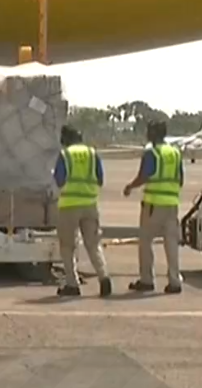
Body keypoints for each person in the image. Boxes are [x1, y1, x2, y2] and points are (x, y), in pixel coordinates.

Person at [123, 120, 184, 294]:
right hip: (172, 205)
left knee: (145, 241)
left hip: (153, 205)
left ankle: (147, 279)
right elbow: (180, 179)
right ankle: (174, 281)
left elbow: (144, 176)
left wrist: (130, 187)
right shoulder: (175, 153)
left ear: (154, 134)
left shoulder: (152, 153)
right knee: (171, 244)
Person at [53, 126, 112, 298]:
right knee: (93, 245)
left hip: (69, 205)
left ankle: (72, 284)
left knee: (67, 246)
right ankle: (104, 276)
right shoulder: (93, 154)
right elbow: (100, 179)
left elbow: (59, 180)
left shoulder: (65, 155)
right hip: (90, 205)